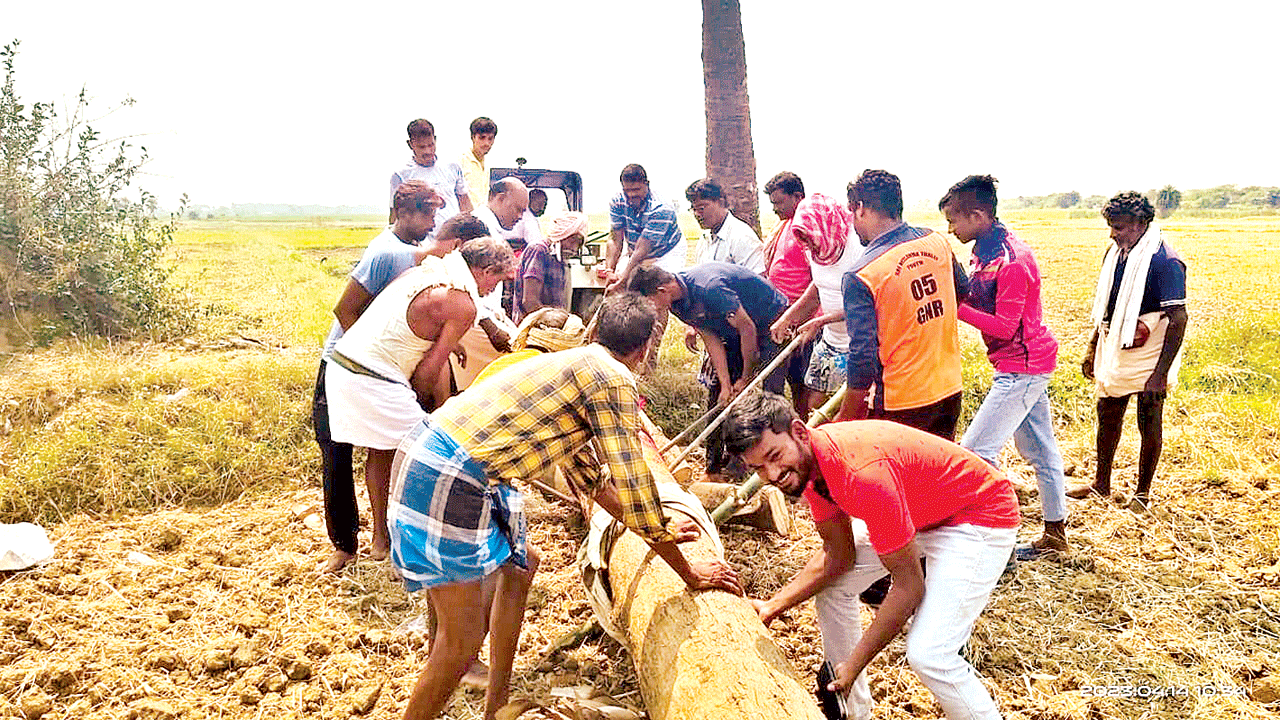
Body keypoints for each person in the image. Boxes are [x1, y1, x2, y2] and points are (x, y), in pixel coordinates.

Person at [388, 292, 742, 720]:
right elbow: (634, 486)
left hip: (433, 452)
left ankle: (496, 705)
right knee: (460, 643)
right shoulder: (611, 378)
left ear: (593, 330)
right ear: (645, 349)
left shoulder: (577, 367)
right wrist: (686, 567)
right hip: (451, 473)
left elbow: (593, 481)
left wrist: (658, 526)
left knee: (522, 565)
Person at [724, 390, 1019, 720]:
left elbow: (909, 587)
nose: (772, 474)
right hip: (922, 511)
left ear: (798, 432)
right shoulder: (809, 467)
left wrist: (854, 663)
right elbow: (838, 556)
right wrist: (772, 605)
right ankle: (853, 710)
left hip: (977, 514)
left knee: (931, 654)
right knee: (834, 589)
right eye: (758, 468)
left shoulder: (860, 474)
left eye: (775, 456)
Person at [325, 237, 514, 571]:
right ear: (484, 271)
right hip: (373, 376)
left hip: (344, 365)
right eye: (496, 280)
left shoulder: (432, 270)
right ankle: (424, 548)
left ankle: (382, 543)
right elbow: (427, 373)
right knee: (435, 455)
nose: (492, 289)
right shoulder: (462, 303)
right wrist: (431, 412)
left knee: (382, 451)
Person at [314, 181, 442, 574]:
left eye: (437, 215)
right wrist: (365, 360)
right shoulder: (386, 253)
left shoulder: (417, 254)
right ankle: (343, 544)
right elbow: (344, 309)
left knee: (382, 448)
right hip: (342, 362)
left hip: (377, 368)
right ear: (404, 212)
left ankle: (381, 538)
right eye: (427, 214)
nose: (431, 222)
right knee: (336, 452)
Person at [940, 175, 1069, 557]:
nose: (951, 229)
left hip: (1023, 366)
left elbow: (1004, 325)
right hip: (1020, 363)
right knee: (1040, 450)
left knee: (977, 452)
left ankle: (995, 544)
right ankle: (1055, 534)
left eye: (954, 221)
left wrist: (955, 308)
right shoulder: (984, 250)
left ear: (978, 216)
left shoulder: (1012, 261)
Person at [1067, 191, 1187, 512]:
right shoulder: (1115, 253)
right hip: (1116, 344)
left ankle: (1142, 495)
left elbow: (1178, 319)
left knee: (1149, 419)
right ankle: (1101, 484)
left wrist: (1160, 374)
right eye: (1111, 226)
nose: (1112, 233)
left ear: (1141, 223)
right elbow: (1107, 307)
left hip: (1152, 351)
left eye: (1118, 227)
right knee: (1107, 412)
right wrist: (1093, 347)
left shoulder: (1166, 262)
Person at [839, 169, 969, 439]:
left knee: (901, 478)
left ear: (860, 208)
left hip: (901, 403)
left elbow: (862, 358)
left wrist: (847, 416)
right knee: (936, 473)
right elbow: (961, 291)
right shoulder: (937, 242)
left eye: (852, 213)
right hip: (949, 388)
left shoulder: (862, 274)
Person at [630, 262, 789, 482]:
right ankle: (714, 469)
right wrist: (726, 383)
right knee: (719, 398)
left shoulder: (709, 288)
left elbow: (748, 328)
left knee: (771, 395)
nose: (652, 309)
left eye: (649, 302)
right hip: (733, 332)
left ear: (661, 291)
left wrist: (745, 377)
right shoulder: (676, 303)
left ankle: (778, 460)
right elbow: (711, 337)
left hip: (770, 322)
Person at [769, 192, 863, 416]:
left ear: (825, 225)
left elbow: (867, 305)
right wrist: (788, 318)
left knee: (848, 414)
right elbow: (818, 289)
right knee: (811, 408)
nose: (808, 246)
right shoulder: (815, 249)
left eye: (810, 238)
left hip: (859, 347)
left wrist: (820, 321)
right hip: (831, 341)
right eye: (804, 240)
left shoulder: (858, 247)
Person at [601, 163, 688, 372]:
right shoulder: (617, 200)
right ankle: (623, 356)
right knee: (622, 296)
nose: (631, 196)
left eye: (636, 191)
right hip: (633, 248)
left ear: (646, 185)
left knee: (657, 300)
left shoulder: (661, 208)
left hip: (665, 251)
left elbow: (642, 251)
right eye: (627, 191)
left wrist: (622, 279)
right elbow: (615, 238)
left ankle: (649, 362)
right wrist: (610, 272)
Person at [762, 171, 817, 414]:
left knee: (804, 384)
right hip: (779, 318)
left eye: (779, 202)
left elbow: (818, 280)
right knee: (778, 383)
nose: (775, 208)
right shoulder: (783, 226)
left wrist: (803, 319)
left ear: (798, 197)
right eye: (772, 203)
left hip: (803, 320)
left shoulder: (808, 229)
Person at [390, 119, 473, 225]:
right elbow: (395, 214)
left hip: (453, 235)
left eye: (431, 145)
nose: (428, 151)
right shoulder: (400, 175)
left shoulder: (453, 166)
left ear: (435, 139)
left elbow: (464, 202)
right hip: (421, 239)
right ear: (410, 144)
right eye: (422, 147)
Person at [513, 211, 588, 322]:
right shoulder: (539, 250)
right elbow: (530, 302)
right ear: (562, 233)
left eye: (579, 243)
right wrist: (554, 324)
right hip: (533, 327)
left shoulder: (561, 259)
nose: (574, 249)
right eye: (573, 240)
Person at [686, 178, 765, 272]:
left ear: (721, 202)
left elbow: (757, 281)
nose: (697, 214)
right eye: (694, 210)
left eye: (701, 208)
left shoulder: (741, 237)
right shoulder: (705, 239)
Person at [460, 117, 497, 210]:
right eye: (482, 138)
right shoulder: (460, 161)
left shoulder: (487, 165)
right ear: (472, 137)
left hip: (480, 219)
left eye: (490, 139)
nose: (487, 143)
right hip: (463, 219)